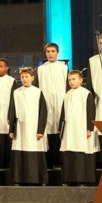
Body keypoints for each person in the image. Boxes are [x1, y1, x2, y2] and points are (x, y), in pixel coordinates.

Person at [8, 66, 48, 186]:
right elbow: (12, 111)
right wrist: (11, 129)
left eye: (27, 77)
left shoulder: (38, 92)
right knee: (20, 151)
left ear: (32, 78)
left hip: (34, 128)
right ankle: (18, 179)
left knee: (35, 151)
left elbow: (43, 112)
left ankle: (39, 179)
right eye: (22, 77)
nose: (24, 79)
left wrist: (40, 130)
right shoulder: (16, 92)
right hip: (20, 128)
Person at [58, 70, 97, 186]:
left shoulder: (86, 93)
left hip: (81, 128)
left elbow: (91, 111)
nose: (71, 82)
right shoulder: (67, 94)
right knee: (69, 153)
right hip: (69, 129)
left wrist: (89, 128)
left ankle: (81, 180)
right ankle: (69, 179)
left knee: (80, 154)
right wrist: (62, 129)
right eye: (69, 80)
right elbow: (63, 113)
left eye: (74, 79)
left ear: (81, 80)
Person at [36, 43, 67, 171]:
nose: (50, 53)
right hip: (47, 103)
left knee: (60, 129)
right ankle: (48, 162)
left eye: (53, 51)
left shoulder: (63, 67)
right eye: (48, 51)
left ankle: (60, 161)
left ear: (57, 52)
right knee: (48, 130)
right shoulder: (41, 69)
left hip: (60, 102)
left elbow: (67, 84)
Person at [0, 58, 15, 170]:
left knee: (7, 137)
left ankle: (8, 162)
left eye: (1, 66)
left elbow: (13, 99)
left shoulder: (11, 81)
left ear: (6, 68)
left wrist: (11, 115)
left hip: (7, 112)